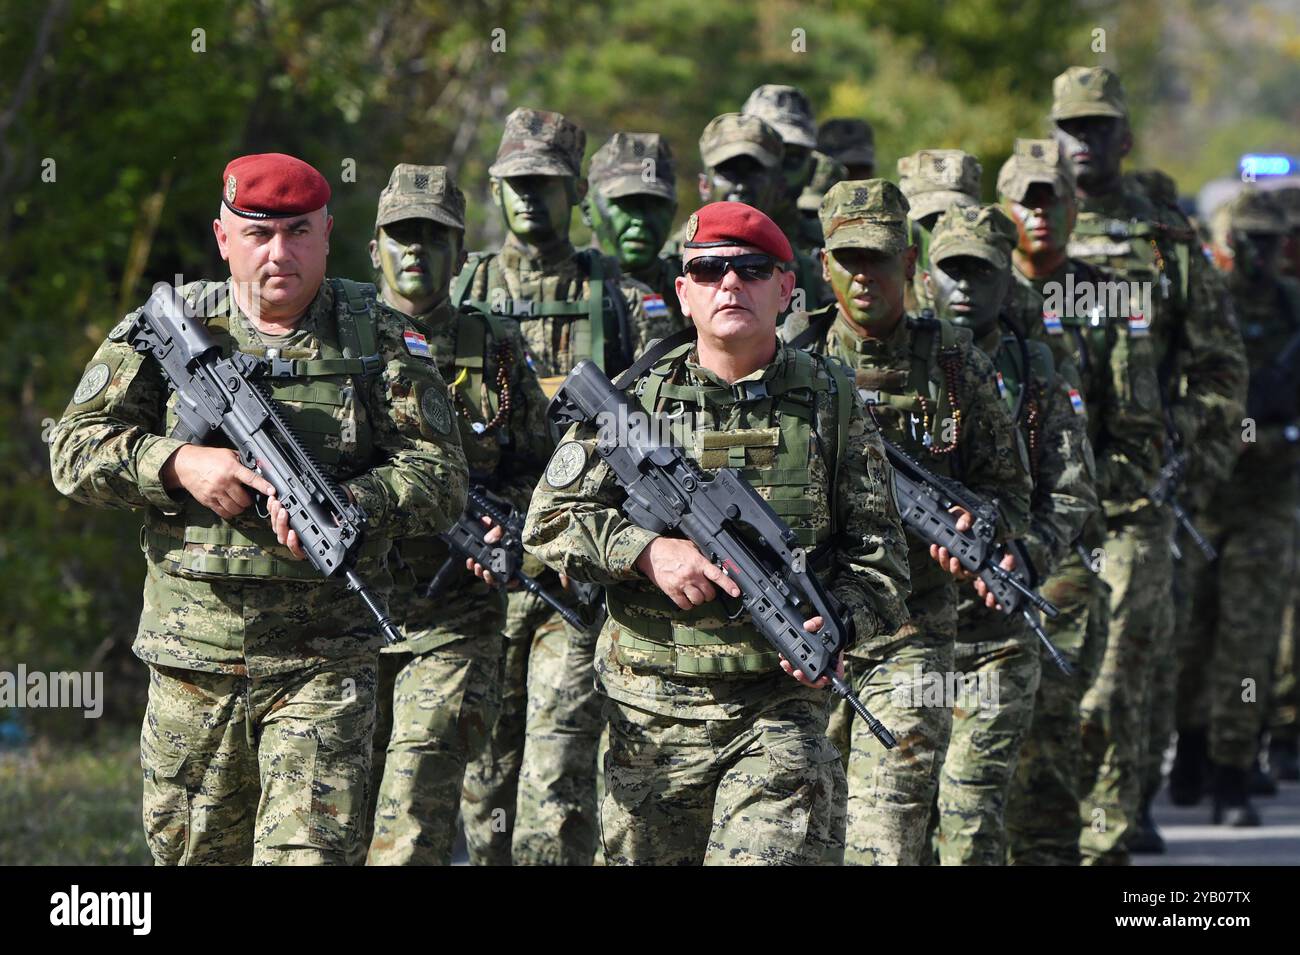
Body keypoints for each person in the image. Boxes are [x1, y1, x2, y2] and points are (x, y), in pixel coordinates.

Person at [49, 152, 468, 865]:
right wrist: (179, 463)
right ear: (222, 237)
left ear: (328, 233)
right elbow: (73, 451)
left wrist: (354, 504)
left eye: (299, 232)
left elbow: (442, 474)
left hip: (324, 663)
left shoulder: (377, 336)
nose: (281, 253)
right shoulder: (168, 328)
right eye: (259, 233)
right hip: (194, 664)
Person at [523, 200, 911, 865]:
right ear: (683, 292)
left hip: (778, 710)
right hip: (649, 717)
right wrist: (645, 552)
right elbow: (547, 524)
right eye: (708, 270)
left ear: (787, 288)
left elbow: (881, 561)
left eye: (752, 269)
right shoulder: (635, 399)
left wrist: (840, 623)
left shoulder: (832, 401)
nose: (730, 285)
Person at [782, 179, 1032, 864]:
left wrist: (978, 532)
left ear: (911, 261)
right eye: (848, 258)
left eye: (880, 258)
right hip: (803, 627)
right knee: (803, 833)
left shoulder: (956, 365)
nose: (864, 276)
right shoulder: (787, 362)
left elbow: (1010, 490)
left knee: (885, 832)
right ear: (822, 262)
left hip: (912, 631)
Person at [1049, 65, 1247, 864]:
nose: (1084, 141)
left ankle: (1111, 828)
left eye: (1099, 127)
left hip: (1136, 495)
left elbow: (1221, 365)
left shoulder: (1166, 238)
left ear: (1125, 138)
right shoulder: (1018, 232)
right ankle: (1054, 822)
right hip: (1037, 496)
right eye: (1071, 126)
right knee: (1050, 672)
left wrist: (1185, 442)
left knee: (1126, 668)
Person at [455, 107, 659, 866]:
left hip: (574, 574)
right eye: (516, 184)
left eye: (546, 185)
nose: (530, 199)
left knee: (558, 774)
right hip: (473, 567)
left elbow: (659, 435)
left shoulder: (624, 300)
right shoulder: (463, 290)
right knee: (481, 778)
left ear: (576, 191)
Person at [361, 164, 553, 864]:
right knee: (336, 818)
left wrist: (513, 519)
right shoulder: (338, 338)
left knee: (412, 817)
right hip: (344, 612)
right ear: (373, 248)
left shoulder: (492, 345)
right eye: (401, 235)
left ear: (461, 254)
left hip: (454, 621)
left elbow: (546, 467)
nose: (415, 250)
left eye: (433, 237)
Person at [921, 203, 1098, 864]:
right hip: (901, 633)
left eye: (981, 271)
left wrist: (1027, 553)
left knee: (970, 821)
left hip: (995, 634)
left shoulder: (1036, 369)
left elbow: (1074, 487)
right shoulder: (905, 363)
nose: (963, 286)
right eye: (951, 270)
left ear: (1007, 279)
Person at [997, 138, 1114, 864]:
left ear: (1074, 207)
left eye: (1051, 199)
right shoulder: (965, 293)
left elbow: (1128, 408)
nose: (1039, 214)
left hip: (1068, 527)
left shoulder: (1101, 294)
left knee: (1055, 725)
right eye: (1025, 201)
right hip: (972, 541)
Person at [1172, 189, 1300, 826]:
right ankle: (1189, 750)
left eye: (1270, 240)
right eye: (1246, 238)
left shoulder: (1293, 310)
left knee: (1247, 645)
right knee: (1191, 637)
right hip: (1204, 496)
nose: (1259, 252)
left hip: (1266, 505)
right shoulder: (1206, 312)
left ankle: (1231, 771)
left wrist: (1273, 438)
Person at [584, 132, 685, 328]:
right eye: (625, 204)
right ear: (588, 211)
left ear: (673, 212)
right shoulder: (562, 287)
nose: (640, 220)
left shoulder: (698, 291)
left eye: (656, 205)